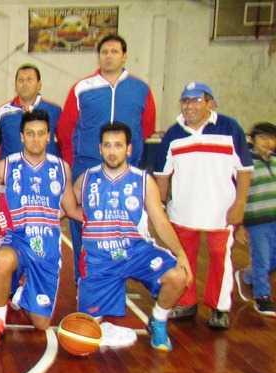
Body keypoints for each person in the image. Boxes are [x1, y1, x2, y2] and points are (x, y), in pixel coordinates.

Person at [75, 122, 191, 352]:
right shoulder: (86, 179)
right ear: (100, 148)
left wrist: (180, 254)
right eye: (107, 145)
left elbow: (160, 221)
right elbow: (67, 207)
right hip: (99, 259)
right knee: (86, 332)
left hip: (136, 252)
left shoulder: (143, 180)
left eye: (118, 145)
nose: (112, 151)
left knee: (178, 276)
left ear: (128, 149)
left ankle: (158, 320)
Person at [0, 110, 81, 353]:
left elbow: (71, 209)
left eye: (41, 133)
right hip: (15, 238)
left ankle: (21, 291)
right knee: (3, 260)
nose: (35, 139)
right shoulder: (6, 166)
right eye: (30, 133)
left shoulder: (61, 168)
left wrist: (100, 218)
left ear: (49, 136)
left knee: (40, 323)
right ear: (22, 136)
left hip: (47, 247)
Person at [153, 82, 252, 329]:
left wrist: (240, 203)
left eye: (196, 100)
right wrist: (161, 207)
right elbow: (162, 176)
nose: (189, 106)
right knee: (184, 257)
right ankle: (186, 302)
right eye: (185, 100)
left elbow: (244, 170)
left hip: (221, 212)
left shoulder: (230, 128)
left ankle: (219, 308)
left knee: (220, 258)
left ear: (210, 103)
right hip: (183, 212)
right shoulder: (173, 135)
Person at [57, 33, 157, 277]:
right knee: (84, 224)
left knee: (122, 227)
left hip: (126, 172)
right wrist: (73, 166)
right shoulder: (82, 88)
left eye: (114, 51)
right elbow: (66, 129)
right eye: (104, 52)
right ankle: (83, 279)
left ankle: (116, 279)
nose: (109, 56)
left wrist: (129, 158)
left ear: (124, 56)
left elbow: (147, 127)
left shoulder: (140, 89)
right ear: (99, 56)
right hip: (87, 167)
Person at [236, 122, 276, 316]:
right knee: (262, 259)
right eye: (262, 138)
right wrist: (239, 225)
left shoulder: (275, 161)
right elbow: (238, 195)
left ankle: (247, 276)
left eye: (272, 138)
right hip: (256, 222)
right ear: (252, 140)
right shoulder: (245, 164)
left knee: (271, 260)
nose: (268, 142)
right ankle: (262, 297)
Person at [0, 64, 61, 158]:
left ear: (39, 85)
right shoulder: (2, 113)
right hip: (11, 166)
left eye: (29, 80)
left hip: (48, 167)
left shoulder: (55, 112)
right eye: (21, 80)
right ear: (15, 86)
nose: (25, 84)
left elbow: (66, 144)